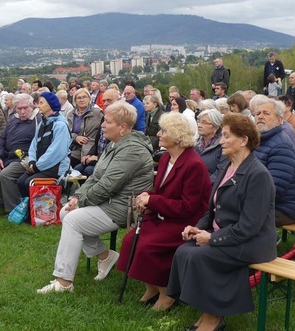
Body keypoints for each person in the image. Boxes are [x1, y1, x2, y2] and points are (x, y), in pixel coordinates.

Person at [167, 113, 276, 331]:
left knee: (200, 256)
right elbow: (213, 209)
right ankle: (206, 312)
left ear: (244, 140)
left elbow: (249, 227)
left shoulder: (258, 175)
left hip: (252, 243)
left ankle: (214, 318)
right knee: (183, 251)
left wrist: (213, 238)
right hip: (231, 235)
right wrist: (198, 227)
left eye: (226, 136)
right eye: (222, 136)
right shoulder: (229, 166)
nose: (221, 141)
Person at [36, 101, 153, 294]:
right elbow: (96, 177)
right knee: (66, 212)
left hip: (125, 207)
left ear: (123, 127)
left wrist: (82, 202)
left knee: (72, 220)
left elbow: (108, 185)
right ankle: (105, 256)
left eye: (107, 122)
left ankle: (64, 282)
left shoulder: (132, 150)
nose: (103, 125)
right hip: (110, 201)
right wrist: (78, 197)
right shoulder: (116, 144)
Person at [116, 111, 211, 311]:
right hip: (164, 217)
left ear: (177, 136)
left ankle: (167, 292)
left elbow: (188, 207)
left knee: (147, 246)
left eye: (163, 131)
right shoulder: (167, 157)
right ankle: (150, 287)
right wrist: (146, 196)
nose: (158, 134)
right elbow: (162, 191)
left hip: (185, 223)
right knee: (129, 241)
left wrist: (153, 200)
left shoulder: (193, 165)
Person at [250, 96, 295, 226]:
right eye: (258, 113)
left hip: (283, 208)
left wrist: (242, 197)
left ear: (280, 120)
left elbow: (275, 189)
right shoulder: (258, 141)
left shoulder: (281, 145)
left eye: (266, 113)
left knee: (236, 214)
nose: (260, 116)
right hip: (261, 202)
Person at [0, 94, 36, 212]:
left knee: (6, 173)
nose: (22, 111)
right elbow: (2, 139)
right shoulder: (13, 120)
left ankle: (13, 208)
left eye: (25, 108)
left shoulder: (37, 122)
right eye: (19, 108)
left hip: (24, 158)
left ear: (32, 107)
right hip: (7, 156)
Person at [14, 92, 71, 198]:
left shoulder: (60, 125)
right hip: (41, 166)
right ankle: (29, 212)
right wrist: (32, 161)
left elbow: (56, 152)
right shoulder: (42, 123)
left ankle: (39, 212)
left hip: (55, 168)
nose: (38, 105)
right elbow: (34, 144)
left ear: (50, 105)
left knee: (29, 183)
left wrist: (37, 166)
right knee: (21, 182)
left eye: (41, 103)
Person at [68, 88, 103, 169]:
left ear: (89, 99)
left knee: (79, 167)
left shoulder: (97, 113)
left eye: (84, 97)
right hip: (75, 148)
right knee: (65, 162)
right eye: (79, 98)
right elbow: (67, 132)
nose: (81, 100)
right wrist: (76, 137)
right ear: (75, 100)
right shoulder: (71, 114)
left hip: (90, 147)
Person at [196, 109, 227, 183]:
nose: (199, 125)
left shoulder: (223, 146)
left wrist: (204, 185)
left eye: (204, 123)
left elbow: (221, 172)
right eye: (199, 122)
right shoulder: (195, 143)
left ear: (215, 127)